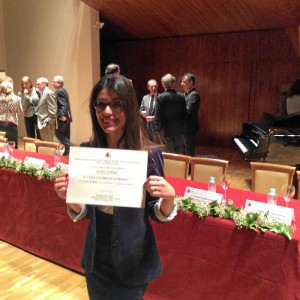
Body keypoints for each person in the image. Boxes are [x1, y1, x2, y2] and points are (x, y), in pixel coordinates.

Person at [53, 75, 177, 299]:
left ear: (129, 108)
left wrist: (169, 197)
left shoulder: (148, 154)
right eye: (101, 104)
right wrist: (70, 196)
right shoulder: (87, 152)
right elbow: (85, 210)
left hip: (133, 258)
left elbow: (155, 212)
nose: (107, 112)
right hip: (97, 256)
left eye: (116, 104)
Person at [154, 73, 187, 153]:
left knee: (168, 152)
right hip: (179, 129)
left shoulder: (160, 97)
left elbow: (158, 115)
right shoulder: (181, 96)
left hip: (165, 130)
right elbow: (185, 114)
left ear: (163, 84)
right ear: (173, 83)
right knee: (178, 152)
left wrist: (158, 129)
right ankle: (179, 166)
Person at [181, 73, 201, 156]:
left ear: (191, 82)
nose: (181, 84)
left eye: (184, 82)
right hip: (183, 128)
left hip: (189, 128)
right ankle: (185, 168)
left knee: (189, 152)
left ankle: (190, 169)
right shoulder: (185, 94)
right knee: (183, 151)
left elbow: (188, 111)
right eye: (182, 82)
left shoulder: (194, 95)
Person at [52, 75, 72, 156]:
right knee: (65, 136)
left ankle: (73, 148)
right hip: (66, 117)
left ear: (59, 83)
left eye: (54, 82)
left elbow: (63, 105)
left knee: (59, 133)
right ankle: (66, 154)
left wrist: (62, 116)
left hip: (62, 118)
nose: (52, 83)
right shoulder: (63, 90)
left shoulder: (59, 91)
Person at [0, 80, 23, 148]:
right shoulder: (17, 99)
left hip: (0, 122)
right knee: (12, 144)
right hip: (11, 124)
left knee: (1, 144)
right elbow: (20, 111)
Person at [36, 77, 57, 141]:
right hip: (43, 124)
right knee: (44, 145)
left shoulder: (49, 93)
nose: (37, 86)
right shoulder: (43, 93)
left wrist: (48, 122)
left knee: (48, 145)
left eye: (38, 84)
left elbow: (53, 110)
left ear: (44, 84)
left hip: (47, 124)